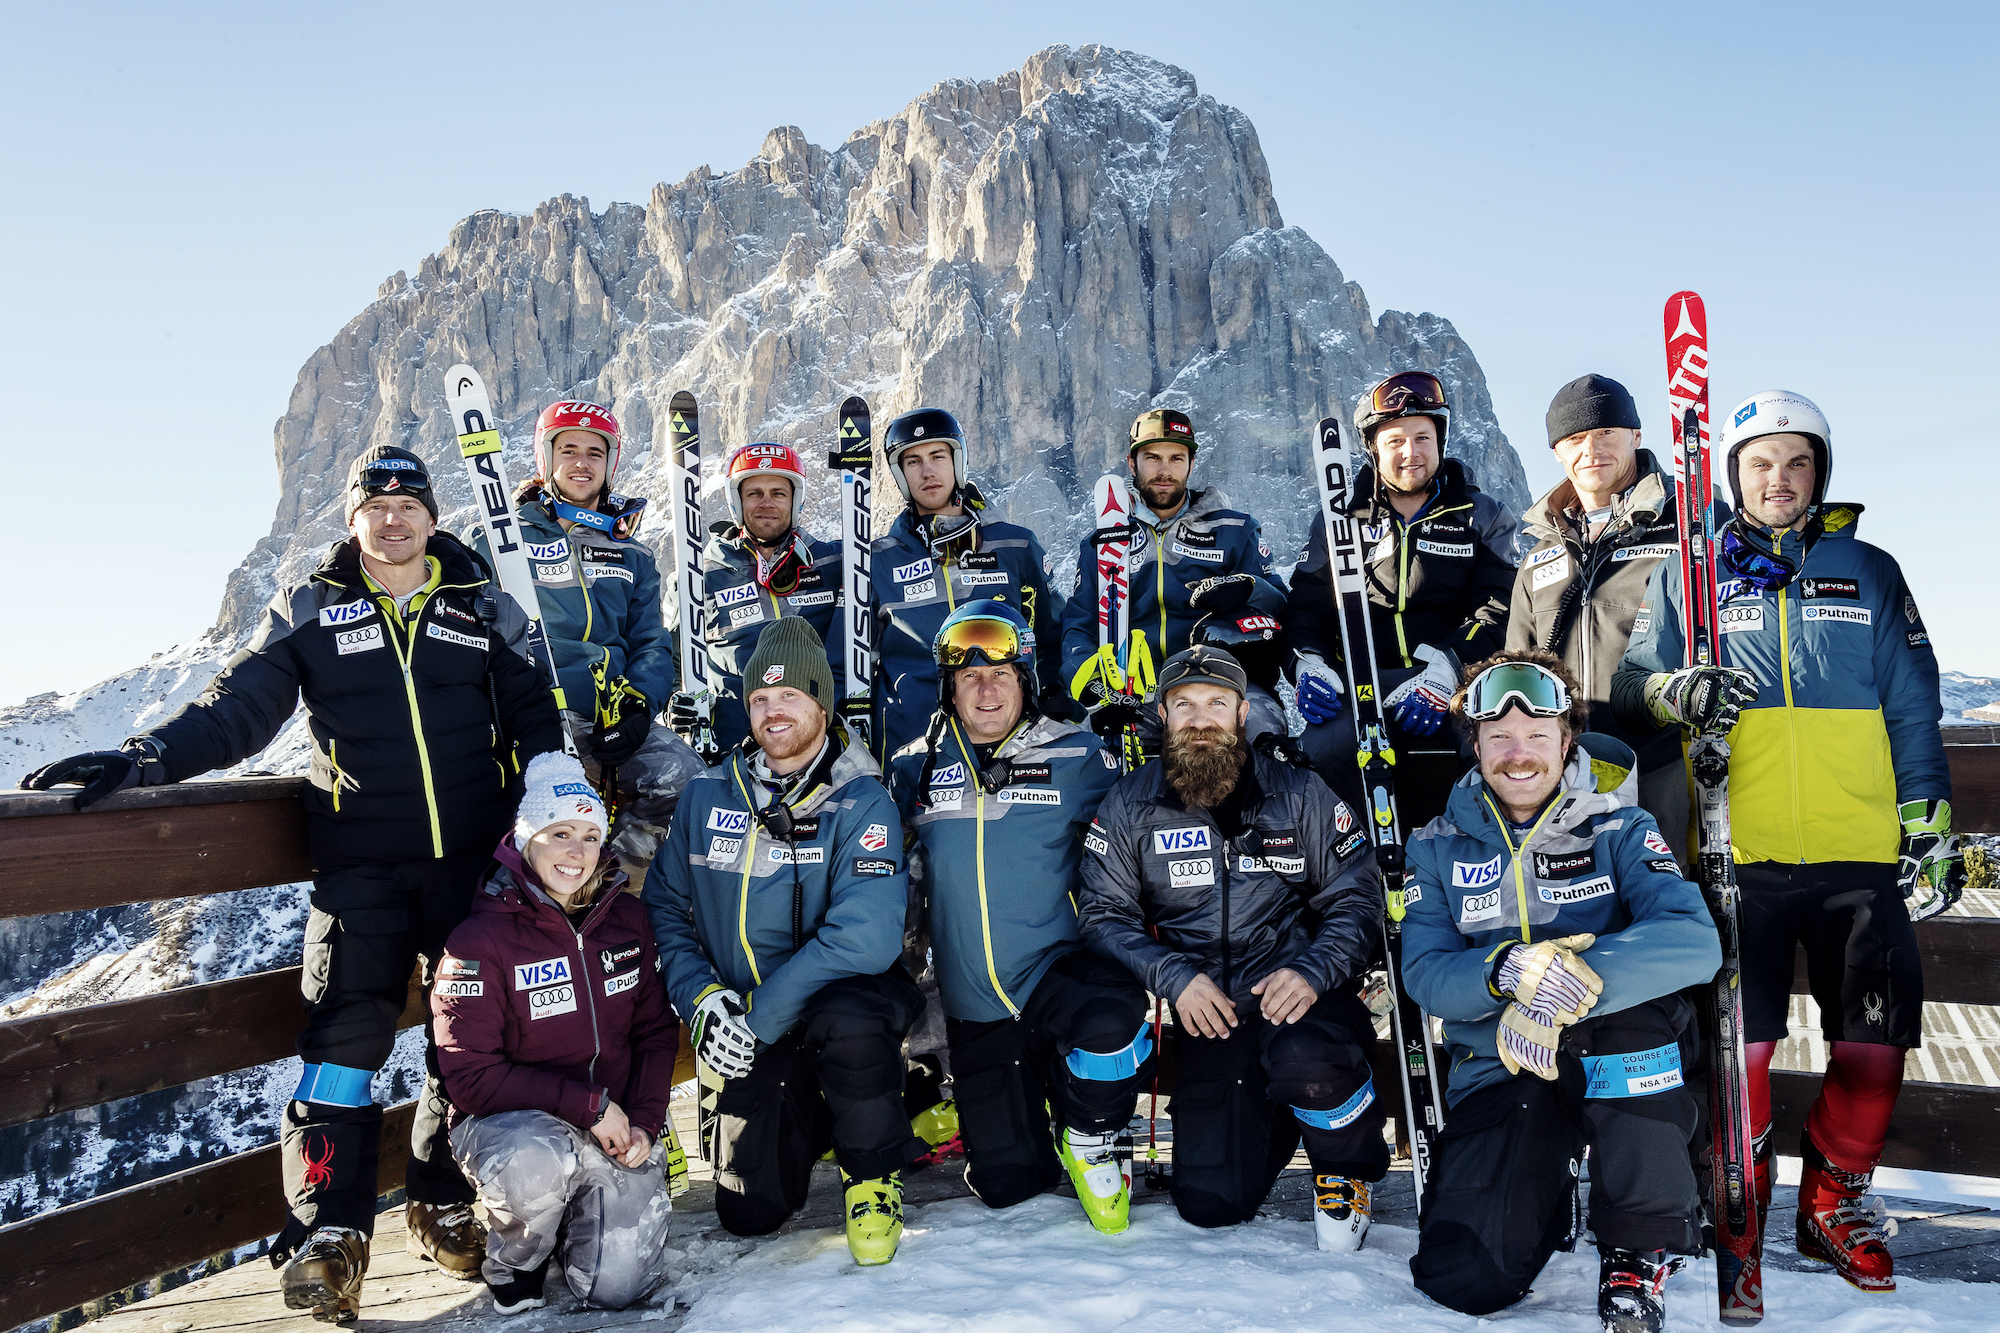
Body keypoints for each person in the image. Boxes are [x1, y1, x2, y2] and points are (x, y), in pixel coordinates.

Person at [22, 446, 566, 1321]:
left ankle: (439, 1195)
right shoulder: (310, 608)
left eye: (408, 503)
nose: (392, 518)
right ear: (352, 519)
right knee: (343, 1051)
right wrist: (147, 756)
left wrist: (551, 787)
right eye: (374, 504)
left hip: (473, 868)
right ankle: (328, 1233)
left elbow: (535, 710)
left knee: (464, 1045)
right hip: (361, 871)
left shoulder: (480, 606)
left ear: (433, 515)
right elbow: (236, 708)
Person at [1613, 390, 1959, 1294]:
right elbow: (1632, 686)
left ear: (1821, 473)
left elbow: (1913, 702)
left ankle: (1833, 1202)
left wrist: (1926, 821)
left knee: (1876, 1045)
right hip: (1741, 853)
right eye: (1761, 462)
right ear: (1731, 474)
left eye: (1798, 461)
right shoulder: (1689, 573)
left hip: (1857, 848)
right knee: (1744, 1048)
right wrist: (1674, 695)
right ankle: (1743, 1201)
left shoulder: (1870, 568)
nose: (1780, 478)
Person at [1399, 651, 1720, 1333]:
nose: (1520, 755)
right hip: (1504, 1063)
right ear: (1476, 744)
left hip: (1608, 1044)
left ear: (1566, 740)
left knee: (1633, 1038)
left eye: (1538, 735)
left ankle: (1639, 1246)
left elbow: (1695, 940)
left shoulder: (1621, 828)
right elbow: (1425, 973)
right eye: (1500, 737)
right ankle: (1545, 1192)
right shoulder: (1435, 846)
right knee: (1464, 1274)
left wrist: (1562, 994)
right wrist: (1510, 971)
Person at [1078, 646, 1387, 1251]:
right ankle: (1278, 1113)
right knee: (1211, 1205)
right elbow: (1102, 914)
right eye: (1183, 704)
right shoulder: (1129, 804)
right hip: (1208, 1012)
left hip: (1299, 997)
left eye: (1216, 703)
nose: (1200, 719)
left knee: (1308, 1064)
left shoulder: (1302, 793)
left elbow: (1360, 898)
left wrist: (1312, 969)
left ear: (1242, 713)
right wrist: (1172, 977)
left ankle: (1344, 1166)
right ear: (1162, 715)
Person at [643, 616, 925, 1265]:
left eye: (790, 696)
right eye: (760, 699)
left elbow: (865, 938)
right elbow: (664, 903)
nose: (773, 712)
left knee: (850, 1018)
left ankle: (872, 1170)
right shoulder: (708, 793)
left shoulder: (860, 798)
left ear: (820, 703)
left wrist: (758, 1017)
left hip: (828, 1004)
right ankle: (819, 1115)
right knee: (750, 1210)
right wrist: (703, 997)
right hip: (743, 1017)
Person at [886, 600, 1148, 1233]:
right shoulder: (913, 767)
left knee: (1113, 1018)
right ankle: (1030, 1124)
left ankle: (1092, 1134)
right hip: (975, 1003)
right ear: (948, 684)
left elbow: (1158, 807)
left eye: (1002, 672)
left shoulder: (1078, 753)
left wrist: (1145, 736)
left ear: (1026, 678)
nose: (986, 687)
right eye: (969, 674)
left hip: (1056, 972)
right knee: (1008, 1184)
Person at [433, 753, 680, 1314]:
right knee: (537, 1161)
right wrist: (588, 1106)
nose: (577, 851)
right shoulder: (480, 942)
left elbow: (655, 1033)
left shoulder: (628, 922)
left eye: (591, 836)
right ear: (526, 840)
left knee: (619, 1290)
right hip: (514, 1131)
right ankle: (516, 1261)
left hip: (611, 1123)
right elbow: (471, 1077)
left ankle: (576, 1220)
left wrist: (642, 1120)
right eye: (560, 833)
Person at [472, 399, 705, 865]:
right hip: (532, 711)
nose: (582, 463)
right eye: (569, 450)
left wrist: (638, 705)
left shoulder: (632, 554)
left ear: (610, 463)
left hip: (609, 709)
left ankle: (611, 886)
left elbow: (650, 642)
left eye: (595, 453)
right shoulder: (504, 539)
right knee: (547, 808)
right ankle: (535, 906)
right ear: (547, 459)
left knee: (690, 782)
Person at [1286, 371, 1519, 823]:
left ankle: (1463, 866)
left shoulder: (1482, 516)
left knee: (1478, 753)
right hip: (1356, 681)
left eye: (1422, 438)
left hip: (1451, 682)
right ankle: (1350, 874)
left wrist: (1448, 670)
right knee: (1321, 754)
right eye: (1395, 441)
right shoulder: (1339, 520)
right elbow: (1307, 604)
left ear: (1440, 441)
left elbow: (1498, 605)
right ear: (1374, 450)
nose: (1410, 453)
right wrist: (1307, 663)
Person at [1507, 375, 1696, 860]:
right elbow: (1518, 668)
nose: (1591, 449)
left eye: (1607, 432)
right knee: (1580, 903)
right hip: (1568, 767)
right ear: (1556, 452)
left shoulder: (1691, 526)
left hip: (1664, 758)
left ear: (1636, 436)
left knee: (1668, 898)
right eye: (1574, 439)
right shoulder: (1539, 559)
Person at [1061, 408, 1288, 760]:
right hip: (1135, 691)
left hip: (1219, 681)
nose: (1164, 470)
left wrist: (1248, 588)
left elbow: (1279, 604)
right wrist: (1089, 681)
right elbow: (1078, 624)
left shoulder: (1233, 529)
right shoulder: (1103, 542)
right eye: (1152, 458)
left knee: (1261, 733)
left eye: (1176, 458)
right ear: (1132, 463)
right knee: (1088, 756)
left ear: (1191, 463)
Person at [870, 407, 1066, 762]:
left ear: (957, 461)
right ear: (900, 474)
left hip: (1011, 745)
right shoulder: (879, 561)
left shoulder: (1014, 546)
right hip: (912, 750)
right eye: (912, 461)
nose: (928, 471)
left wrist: (1052, 696)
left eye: (937, 456)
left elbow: (1051, 634)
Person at [691, 440, 844, 752]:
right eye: (754, 493)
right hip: (734, 741)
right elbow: (676, 653)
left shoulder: (833, 563)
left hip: (818, 741)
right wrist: (673, 705)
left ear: (794, 500)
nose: (766, 503)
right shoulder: (703, 574)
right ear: (737, 501)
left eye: (778, 493)